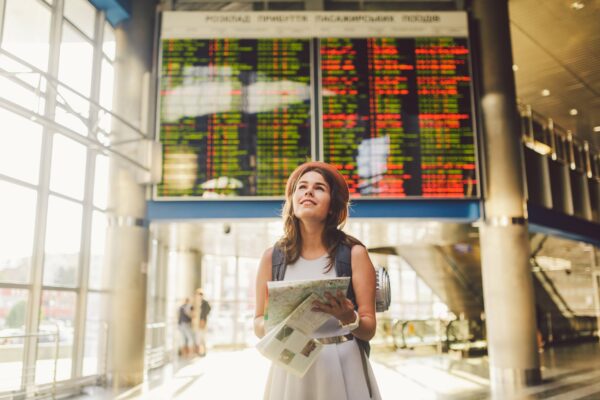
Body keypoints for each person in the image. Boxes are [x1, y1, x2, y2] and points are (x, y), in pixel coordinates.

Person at [254, 161, 382, 400]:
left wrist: (349, 318)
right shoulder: (272, 257)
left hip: (344, 365)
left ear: (333, 205)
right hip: (291, 365)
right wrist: (275, 325)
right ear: (292, 201)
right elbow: (259, 323)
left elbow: (369, 329)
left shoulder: (354, 254)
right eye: (301, 187)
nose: (308, 192)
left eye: (319, 188)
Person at [194, 289, 211, 357]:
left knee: (202, 338)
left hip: (202, 322)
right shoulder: (199, 303)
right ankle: (200, 352)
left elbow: (207, 310)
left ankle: (203, 352)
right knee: (198, 338)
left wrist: (203, 319)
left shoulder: (205, 303)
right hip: (198, 323)